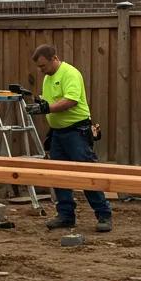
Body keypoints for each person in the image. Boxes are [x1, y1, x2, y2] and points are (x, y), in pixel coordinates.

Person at [27, 43, 112, 233]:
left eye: (43, 66)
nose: (41, 71)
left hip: (76, 132)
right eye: (39, 67)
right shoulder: (49, 77)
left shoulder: (70, 73)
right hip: (58, 133)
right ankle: (66, 215)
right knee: (59, 175)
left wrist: (46, 108)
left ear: (54, 59)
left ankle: (104, 214)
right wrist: (41, 105)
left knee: (86, 174)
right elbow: (51, 102)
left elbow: (71, 100)